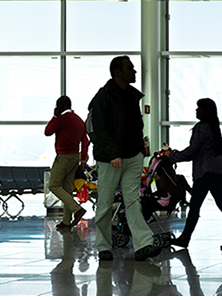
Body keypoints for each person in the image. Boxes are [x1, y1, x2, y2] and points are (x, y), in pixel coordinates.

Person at [89, 56, 161, 261]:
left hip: (132, 157)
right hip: (111, 159)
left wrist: (140, 150)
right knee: (104, 203)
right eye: (130, 68)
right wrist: (113, 154)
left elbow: (135, 126)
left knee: (133, 201)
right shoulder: (103, 96)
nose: (135, 72)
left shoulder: (132, 96)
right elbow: (99, 129)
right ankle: (104, 246)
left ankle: (144, 244)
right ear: (117, 72)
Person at [164, 98, 222, 249]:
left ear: (205, 110)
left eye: (199, 108)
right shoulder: (213, 126)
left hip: (205, 172)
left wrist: (171, 156)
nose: (196, 110)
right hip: (217, 171)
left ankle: (185, 238)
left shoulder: (201, 127)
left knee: (195, 206)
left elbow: (192, 151)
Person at [45, 95, 90, 231]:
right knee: (67, 189)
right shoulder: (78, 120)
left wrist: (55, 117)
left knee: (54, 185)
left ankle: (77, 209)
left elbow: (48, 131)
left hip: (63, 157)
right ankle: (66, 221)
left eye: (58, 105)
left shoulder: (62, 119)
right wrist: (82, 160)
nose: (56, 108)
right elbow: (85, 141)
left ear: (63, 106)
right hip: (75, 158)